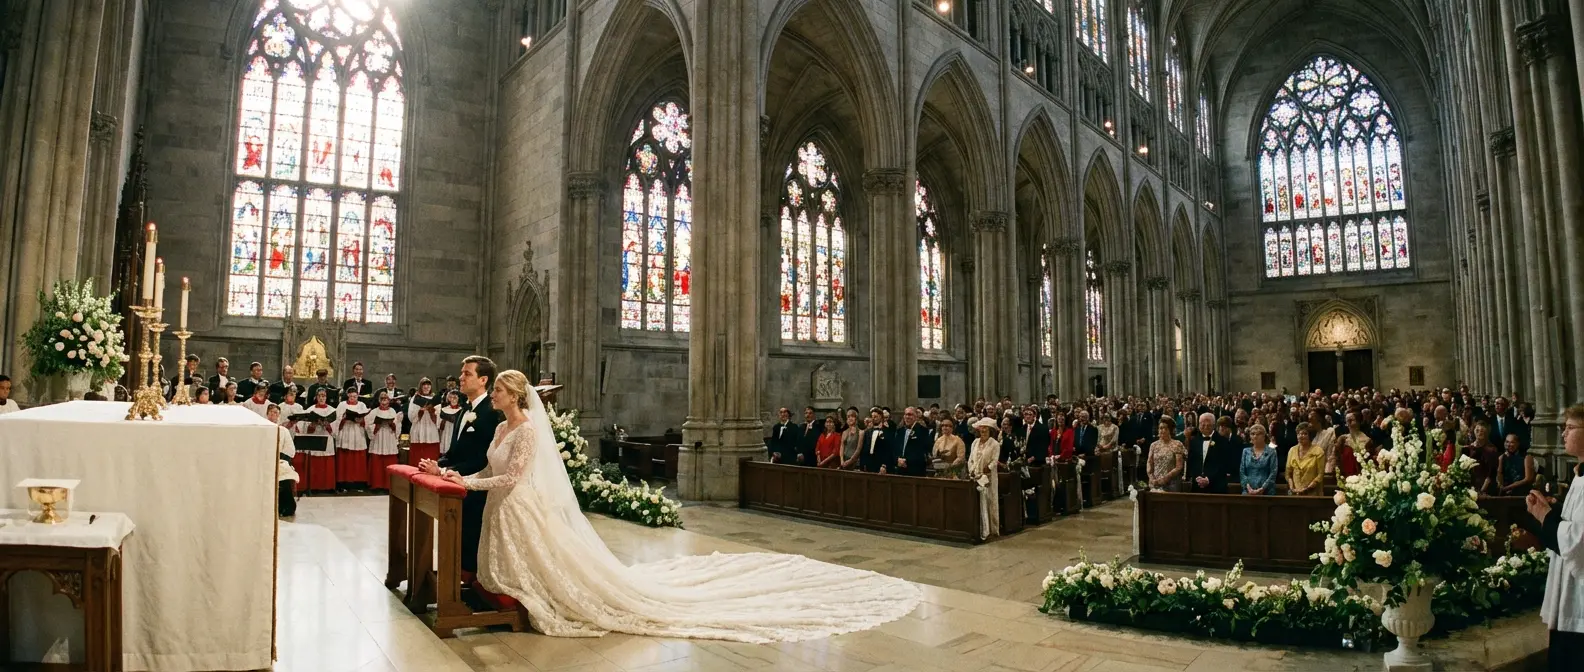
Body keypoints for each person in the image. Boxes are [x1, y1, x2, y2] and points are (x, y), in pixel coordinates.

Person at [438, 369, 918, 641]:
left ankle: (524, 604)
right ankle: (502, 600)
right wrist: (461, 476)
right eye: (493, 388)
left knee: (545, 567)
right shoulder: (502, 428)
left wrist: (474, 484)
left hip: (517, 504)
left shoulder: (522, 429)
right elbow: (489, 468)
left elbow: (515, 476)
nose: (493, 394)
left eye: (497, 388)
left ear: (512, 394)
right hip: (504, 506)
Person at [419, 356, 502, 584]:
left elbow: (482, 459)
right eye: (461, 372)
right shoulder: (466, 409)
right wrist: (438, 464)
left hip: (478, 489)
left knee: (471, 538)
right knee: (459, 539)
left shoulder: (490, 413)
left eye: (467, 374)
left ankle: (472, 584)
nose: (461, 377)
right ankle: (457, 579)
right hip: (459, 483)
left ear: (483, 380)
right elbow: (455, 451)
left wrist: (446, 471)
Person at [1525, 404, 1584, 671]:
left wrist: (1545, 517)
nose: (1563, 434)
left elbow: (1578, 542)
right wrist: (1553, 510)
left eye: (1570, 428)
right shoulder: (1579, 475)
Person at [298, 388, 339, 492]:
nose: (321, 398)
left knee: (327, 462)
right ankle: (314, 486)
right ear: (316, 397)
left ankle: (328, 486)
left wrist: (328, 425)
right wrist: (313, 425)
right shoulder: (310, 410)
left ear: (326, 397)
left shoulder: (332, 410)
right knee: (315, 463)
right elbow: (305, 429)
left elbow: (335, 431)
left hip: (327, 438)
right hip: (315, 438)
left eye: (324, 396)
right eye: (319, 396)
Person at [967, 417, 1001, 538]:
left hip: (988, 478)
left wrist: (988, 469)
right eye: (981, 428)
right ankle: (979, 528)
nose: (983, 430)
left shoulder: (995, 444)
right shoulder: (975, 442)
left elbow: (994, 461)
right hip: (975, 476)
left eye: (986, 428)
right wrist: (972, 470)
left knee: (989, 501)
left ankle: (991, 529)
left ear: (990, 430)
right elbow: (970, 459)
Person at [266, 404, 299, 517]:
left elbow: (290, 449)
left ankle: (286, 507)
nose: (273, 415)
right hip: (265, 461)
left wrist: (280, 459)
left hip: (281, 461)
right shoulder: (262, 429)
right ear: (267, 414)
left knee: (284, 477)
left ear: (279, 415)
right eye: (271, 412)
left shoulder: (284, 431)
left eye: (275, 412)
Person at [366, 390, 403, 490]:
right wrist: (376, 425)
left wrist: (392, 424)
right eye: (382, 399)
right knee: (377, 462)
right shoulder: (374, 412)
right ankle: (377, 485)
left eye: (386, 399)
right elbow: (368, 426)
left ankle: (389, 485)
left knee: (389, 461)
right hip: (378, 437)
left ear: (389, 400)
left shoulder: (392, 411)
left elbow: (397, 425)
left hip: (389, 437)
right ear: (379, 400)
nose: (384, 401)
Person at [334, 390, 370, 488]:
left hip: (358, 433)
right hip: (346, 432)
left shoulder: (362, 405)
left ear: (357, 396)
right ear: (348, 396)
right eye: (351, 397)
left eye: (355, 396)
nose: (353, 399)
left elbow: (367, 418)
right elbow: (336, 419)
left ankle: (359, 482)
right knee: (345, 459)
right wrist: (343, 418)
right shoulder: (342, 405)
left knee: (358, 458)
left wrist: (362, 419)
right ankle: (344, 482)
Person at [408, 378, 444, 465]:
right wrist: (420, 411)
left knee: (431, 460)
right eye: (424, 385)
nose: (426, 387)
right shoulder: (415, 398)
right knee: (417, 461)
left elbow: (440, 418)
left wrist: (432, 412)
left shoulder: (435, 398)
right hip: (418, 430)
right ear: (420, 386)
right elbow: (411, 417)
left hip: (431, 432)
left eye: (428, 385)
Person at [1286, 423, 1325, 496]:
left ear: (1310, 435)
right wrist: (1292, 488)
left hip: (1312, 493)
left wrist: (1306, 489)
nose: (1301, 436)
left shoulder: (1318, 451)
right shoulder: (1292, 450)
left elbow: (1320, 475)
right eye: (1299, 434)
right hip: (1294, 492)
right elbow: (1288, 474)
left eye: (1304, 434)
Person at [1147, 418, 1185, 490]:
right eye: (1161, 428)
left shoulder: (1177, 444)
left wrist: (1165, 479)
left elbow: (1179, 467)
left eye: (1166, 428)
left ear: (1170, 430)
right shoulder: (1154, 445)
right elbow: (1149, 462)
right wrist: (1151, 478)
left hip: (1171, 483)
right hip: (1155, 482)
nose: (1163, 430)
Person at [895, 407, 932, 477]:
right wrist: (897, 459)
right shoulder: (900, 431)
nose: (907, 417)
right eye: (906, 415)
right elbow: (895, 448)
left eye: (910, 415)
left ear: (916, 417)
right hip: (900, 469)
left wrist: (906, 461)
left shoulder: (923, 431)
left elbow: (922, 451)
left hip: (916, 470)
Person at [1241, 424, 1278, 495]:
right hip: (1248, 491)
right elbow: (1242, 472)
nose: (1255, 436)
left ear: (1264, 436)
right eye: (1252, 434)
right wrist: (1248, 488)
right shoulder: (1246, 451)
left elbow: (1273, 473)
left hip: (1266, 492)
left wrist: (1262, 489)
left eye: (1258, 434)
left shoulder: (1271, 452)